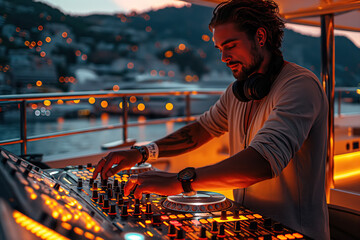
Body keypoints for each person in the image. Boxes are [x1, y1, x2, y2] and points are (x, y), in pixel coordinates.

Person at [93, 0, 330, 239]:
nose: (224, 57)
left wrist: (180, 182)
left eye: (230, 46)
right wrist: (143, 152)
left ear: (260, 37)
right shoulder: (237, 92)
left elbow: (262, 162)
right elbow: (200, 130)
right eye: (219, 49)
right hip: (250, 227)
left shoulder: (300, 85)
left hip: (296, 232)